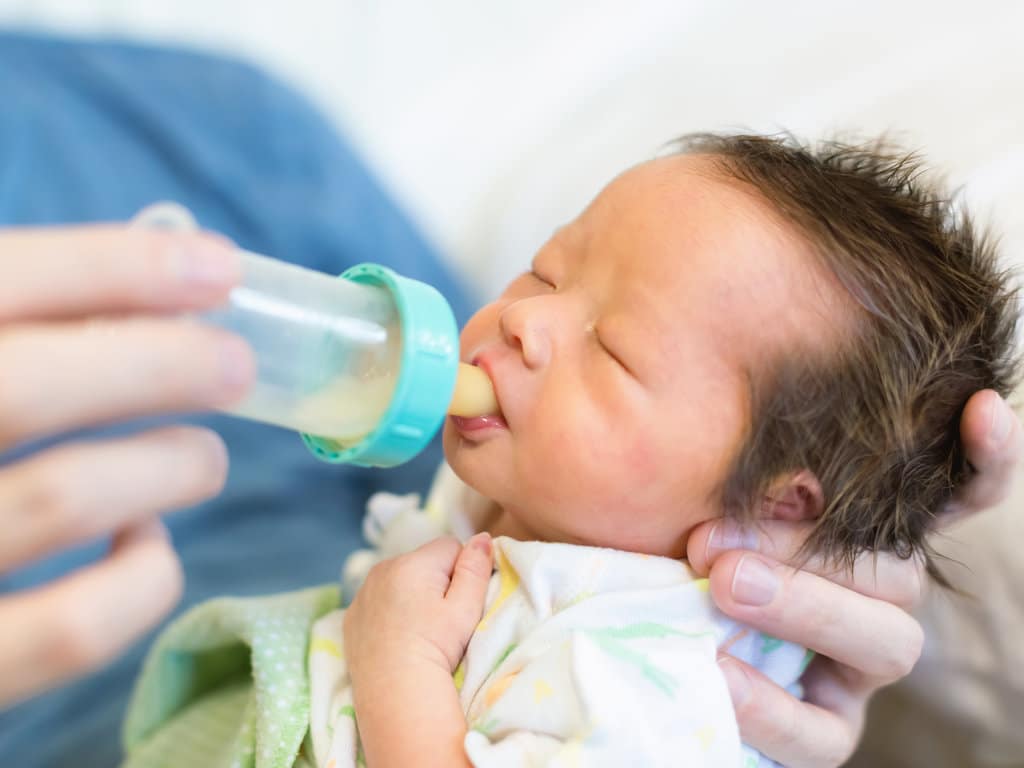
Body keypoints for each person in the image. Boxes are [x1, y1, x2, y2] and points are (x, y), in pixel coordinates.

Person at [118, 134, 1020, 768]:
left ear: (778, 504)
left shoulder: (639, 683)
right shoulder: (548, 500)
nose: (526, 320)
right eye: (548, 270)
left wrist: (400, 673)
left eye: (616, 351)